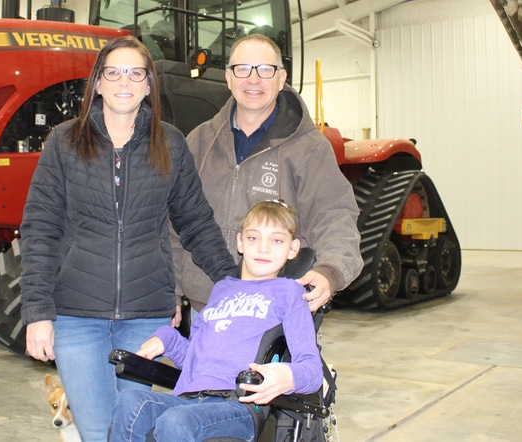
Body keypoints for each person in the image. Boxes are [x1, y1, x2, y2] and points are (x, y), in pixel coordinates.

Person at [19, 36, 237, 442]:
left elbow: (196, 224)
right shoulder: (64, 143)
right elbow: (40, 230)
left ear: (149, 85)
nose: (124, 81)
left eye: (135, 73)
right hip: (75, 318)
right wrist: (37, 312)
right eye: (113, 72)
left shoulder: (169, 143)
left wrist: (235, 284)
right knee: (99, 430)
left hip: (144, 319)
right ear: (97, 83)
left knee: (131, 429)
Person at [173, 34, 363, 318]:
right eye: (242, 69)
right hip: (205, 307)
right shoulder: (199, 141)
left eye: (265, 69)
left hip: (275, 311)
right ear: (228, 77)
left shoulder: (308, 148)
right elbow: (174, 221)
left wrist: (330, 271)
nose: (253, 79)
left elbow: (334, 214)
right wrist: (171, 289)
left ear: (281, 77)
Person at [110, 200, 323, 442]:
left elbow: (312, 371)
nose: (263, 248)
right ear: (240, 242)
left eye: (276, 240)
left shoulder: (289, 293)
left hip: (237, 405)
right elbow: (192, 358)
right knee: (130, 402)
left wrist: (287, 376)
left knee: (176, 421)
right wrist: (167, 338)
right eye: (254, 238)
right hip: (189, 399)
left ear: (293, 248)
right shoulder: (222, 289)